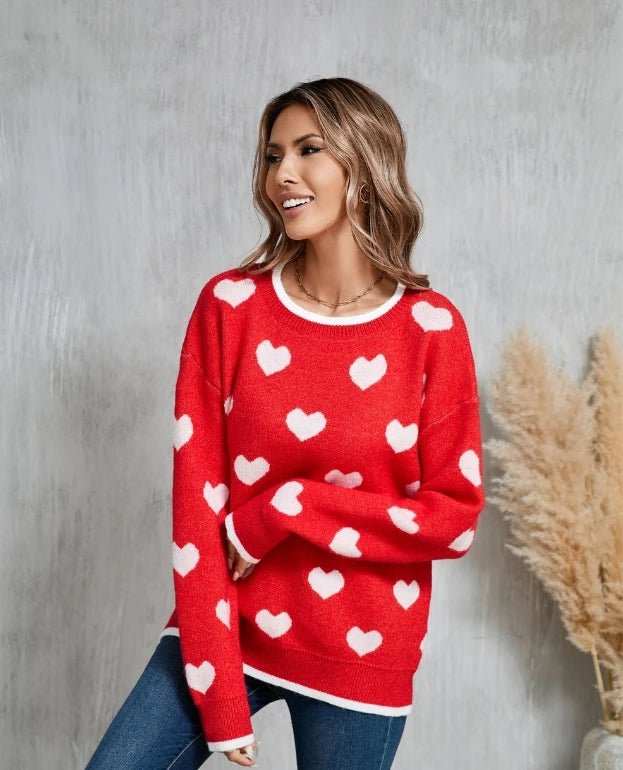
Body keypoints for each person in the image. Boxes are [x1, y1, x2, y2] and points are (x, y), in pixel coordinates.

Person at [84, 76, 486, 770]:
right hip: (227, 628)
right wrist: (218, 694)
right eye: (273, 155)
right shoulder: (230, 308)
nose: (282, 175)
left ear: (364, 161)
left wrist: (288, 508)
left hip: (361, 647)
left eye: (308, 150)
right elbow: (196, 514)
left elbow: (452, 520)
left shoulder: (431, 329)